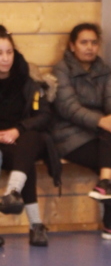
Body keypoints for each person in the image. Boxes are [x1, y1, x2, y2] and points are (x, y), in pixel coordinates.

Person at [52, 23, 111, 241]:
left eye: (93, 42)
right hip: (68, 136)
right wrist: (102, 121)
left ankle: (105, 186)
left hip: (97, 134)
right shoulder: (61, 70)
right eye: (84, 42)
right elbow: (68, 108)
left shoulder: (103, 70)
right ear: (72, 46)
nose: (90, 47)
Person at [0, 25, 60, 246]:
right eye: (0, 53)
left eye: (9, 52)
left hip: (22, 140)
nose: (5, 58)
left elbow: (45, 115)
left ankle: (12, 192)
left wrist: (18, 129)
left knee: (30, 140)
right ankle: (36, 225)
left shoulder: (27, 80)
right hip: (3, 145)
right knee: (25, 163)